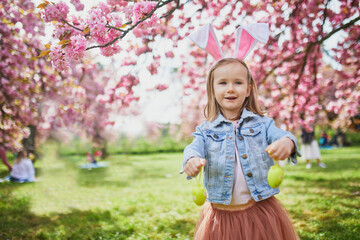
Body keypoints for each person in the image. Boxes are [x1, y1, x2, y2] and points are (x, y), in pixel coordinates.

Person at [180, 23, 300, 240]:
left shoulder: (262, 124)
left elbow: (284, 135)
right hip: (220, 215)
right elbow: (193, 148)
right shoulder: (206, 130)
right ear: (213, 89)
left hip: (259, 210)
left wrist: (286, 143)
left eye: (238, 82)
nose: (230, 88)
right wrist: (191, 160)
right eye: (223, 83)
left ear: (248, 89)